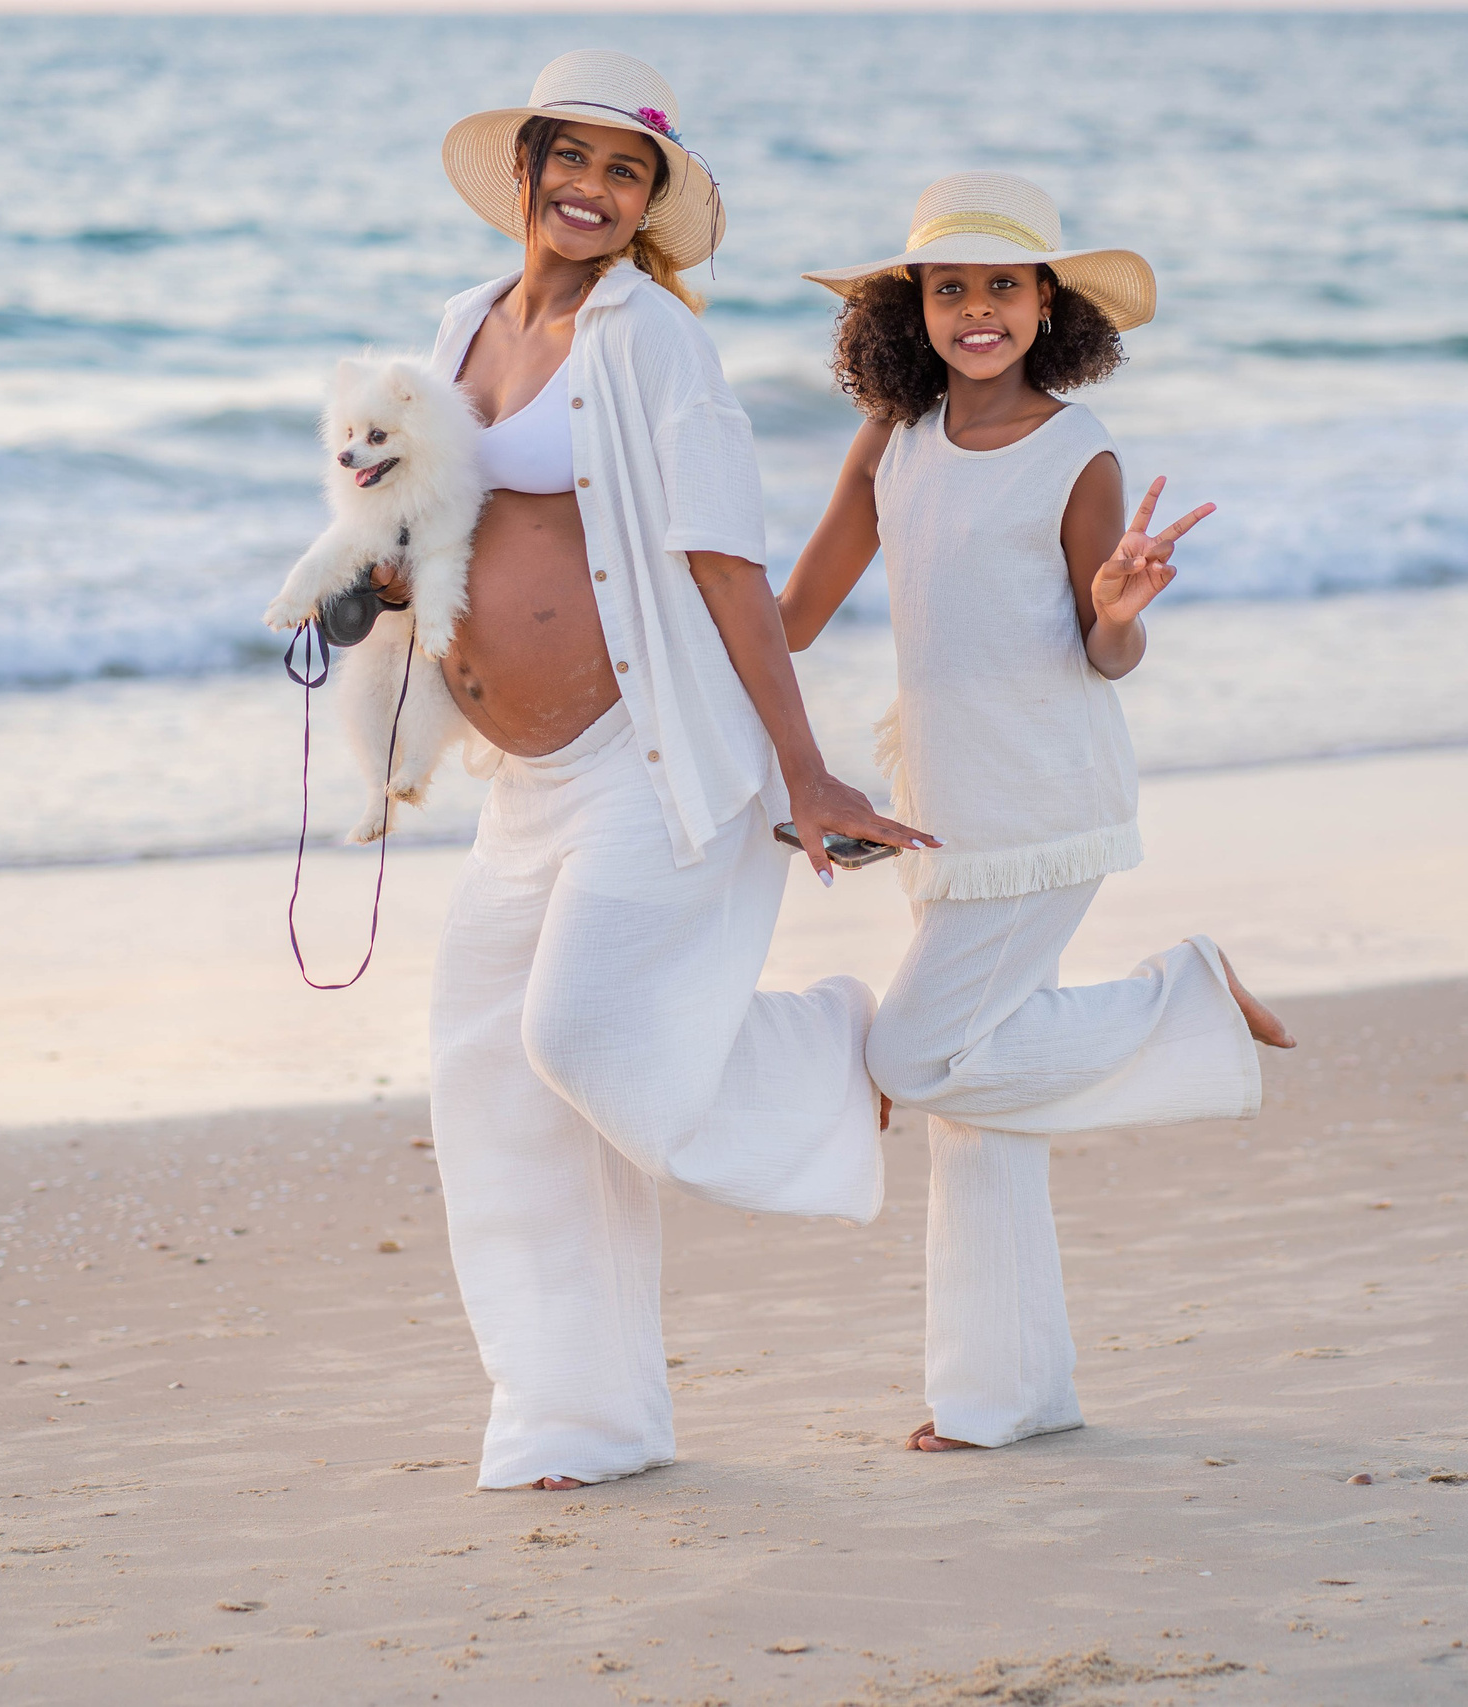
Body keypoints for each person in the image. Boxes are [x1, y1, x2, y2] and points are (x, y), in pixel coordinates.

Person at [407, 52, 934, 1491]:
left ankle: (825, 1060)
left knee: (581, 1036)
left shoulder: (655, 343)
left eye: (623, 170)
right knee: (490, 1081)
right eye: (568, 160)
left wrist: (804, 767)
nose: (590, 187)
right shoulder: (460, 326)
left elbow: (722, 555)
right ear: (523, 172)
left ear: (647, 202)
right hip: (523, 784)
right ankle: (579, 1419)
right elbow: (431, 509)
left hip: (646, 758)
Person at [779, 171, 1296, 1454]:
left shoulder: (1080, 454)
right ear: (911, 310)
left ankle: (1181, 997)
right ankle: (1003, 1398)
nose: (975, 313)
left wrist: (1119, 613)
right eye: (948, 289)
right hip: (938, 805)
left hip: (1043, 805)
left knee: (914, 1062)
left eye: (1001, 287)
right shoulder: (889, 440)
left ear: (1047, 304)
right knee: (981, 1117)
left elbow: (1100, 652)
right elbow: (792, 617)